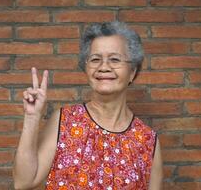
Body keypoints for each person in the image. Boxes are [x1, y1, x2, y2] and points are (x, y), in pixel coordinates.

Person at [13, 21, 163, 190]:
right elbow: (23, 182)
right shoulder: (64, 121)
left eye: (114, 59)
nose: (104, 67)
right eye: (95, 59)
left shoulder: (148, 141)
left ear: (132, 72)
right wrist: (32, 118)